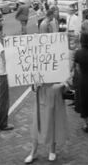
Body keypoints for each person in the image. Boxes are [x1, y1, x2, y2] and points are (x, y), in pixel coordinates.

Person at [24, 13, 69, 164]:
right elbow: (32, 84)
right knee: (38, 123)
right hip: (42, 95)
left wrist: (62, 85)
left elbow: (67, 79)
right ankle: (34, 151)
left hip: (55, 94)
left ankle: (52, 150)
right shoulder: (37, 58)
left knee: (53, 122)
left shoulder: (61, 56)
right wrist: (34, 84)